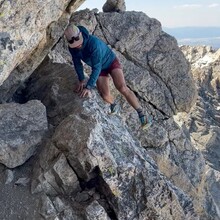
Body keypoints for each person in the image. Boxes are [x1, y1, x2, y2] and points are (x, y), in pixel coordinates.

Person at [64, 24, 152, 128]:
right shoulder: (73, 49)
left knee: (122, 87)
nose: (77, 46)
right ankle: (114, 105)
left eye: (78, 42)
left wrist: (88, 86)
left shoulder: (93, 44)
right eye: (74, 45)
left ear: (81, 35)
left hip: (110, 62)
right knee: (105, 95)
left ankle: (142, 115)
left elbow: (96, 68)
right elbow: (77, 63)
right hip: (101, 69)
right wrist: (81, 80)